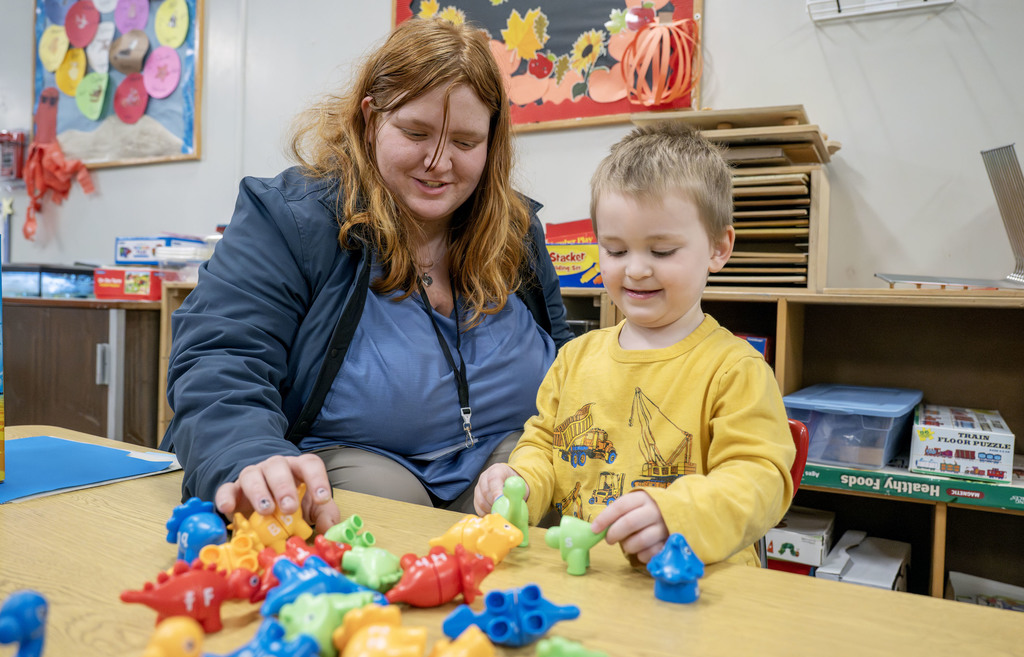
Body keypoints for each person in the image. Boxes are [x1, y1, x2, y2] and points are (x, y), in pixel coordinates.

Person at [162, 18, 572, 534]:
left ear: (493, 142)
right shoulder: (292, 219)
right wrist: (247, 454)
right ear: (371, 118)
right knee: (381, 508)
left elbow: (570, 369)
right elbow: (220, 358)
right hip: (358, 470)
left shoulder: (516, 229)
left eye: (466, 142)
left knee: (543, 478)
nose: (438, 162)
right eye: (415, 133)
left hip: (501, 467)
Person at [474, 122, 795, 566]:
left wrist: (679, 515)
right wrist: (520, 484)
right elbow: (544, 445)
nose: (636, 270)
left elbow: (761, 480)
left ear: (719, 248)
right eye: (616, 250)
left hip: (695, 583)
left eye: (661, 251)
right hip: (588, 574)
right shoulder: (574, 359)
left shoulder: (736, 369)